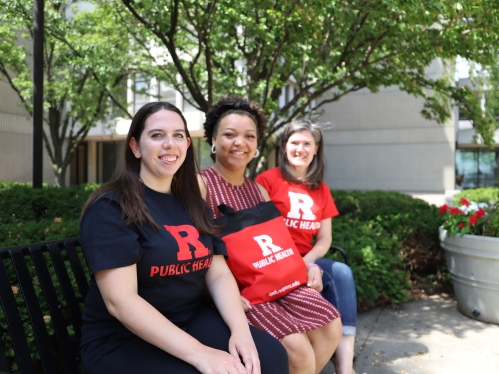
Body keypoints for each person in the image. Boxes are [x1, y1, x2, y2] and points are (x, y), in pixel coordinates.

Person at [78, 101, 289, 374]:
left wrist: (241, 331)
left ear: (188, 145)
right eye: (157, 135)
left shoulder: (192, 203)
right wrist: (201, 354)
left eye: (178, 135)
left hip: (188, 319)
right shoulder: (111, 207)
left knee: (271, 357)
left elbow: (219, 274)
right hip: (121, 340)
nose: (170, 144)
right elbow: (121, 302)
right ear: (135, 147)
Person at [198, 96, 342, 374]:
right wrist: (216, 294)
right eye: (229, 135)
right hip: (242, 292)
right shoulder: (201, 185)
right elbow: (192, 249)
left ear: (256, 145)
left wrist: (307, 266)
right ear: (214, 140)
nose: (240, 142)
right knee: (297, 348)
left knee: (330, 324)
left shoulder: (259, 191)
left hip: (277, 281)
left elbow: (279, 245)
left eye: (249, 136)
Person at [256, 118, 358, 374]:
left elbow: (325, 239)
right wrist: (293, 264)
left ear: (316, 149)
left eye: (306, 143)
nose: (300, 148)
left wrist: (307, 261)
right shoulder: (267, 181)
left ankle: (345, 368)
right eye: (294, 142)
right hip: (274, 260)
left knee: (343, 273)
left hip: (307, 258)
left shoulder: (321, 189)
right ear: (284, 146)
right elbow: (259, 230)